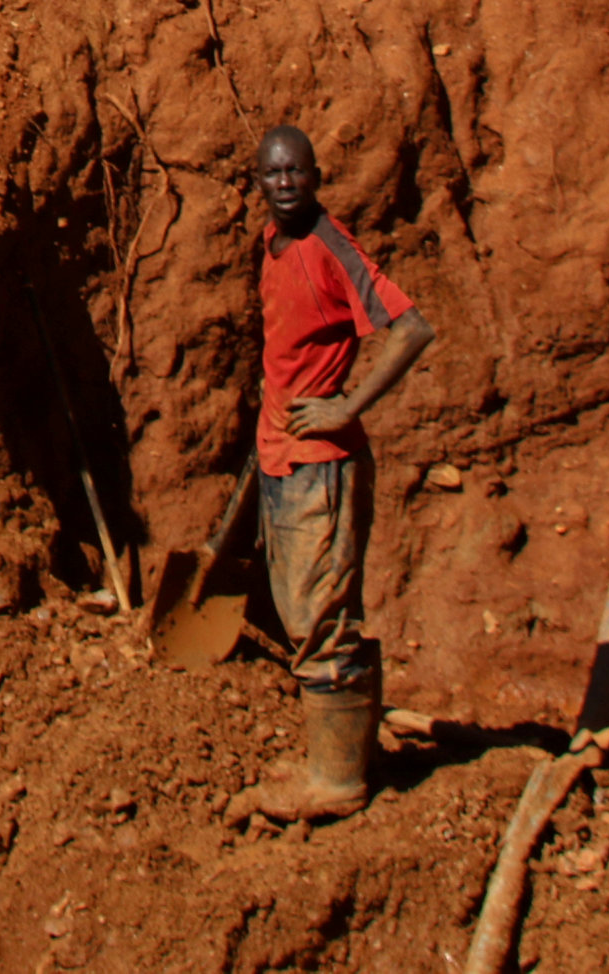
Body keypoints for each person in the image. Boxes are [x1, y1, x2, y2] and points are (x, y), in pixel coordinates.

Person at [227, 124, 436, 824]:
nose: (284, 183)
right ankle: (348, 753)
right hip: (284, 458)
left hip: (322, 467)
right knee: (304, 610)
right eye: (272, 173)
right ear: (257, 181)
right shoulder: (274, 242)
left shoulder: (329, 247)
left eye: (296, 172)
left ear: (317, 175)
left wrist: (347, 405)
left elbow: (410, 329)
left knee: (320, 616)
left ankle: (337, 781)